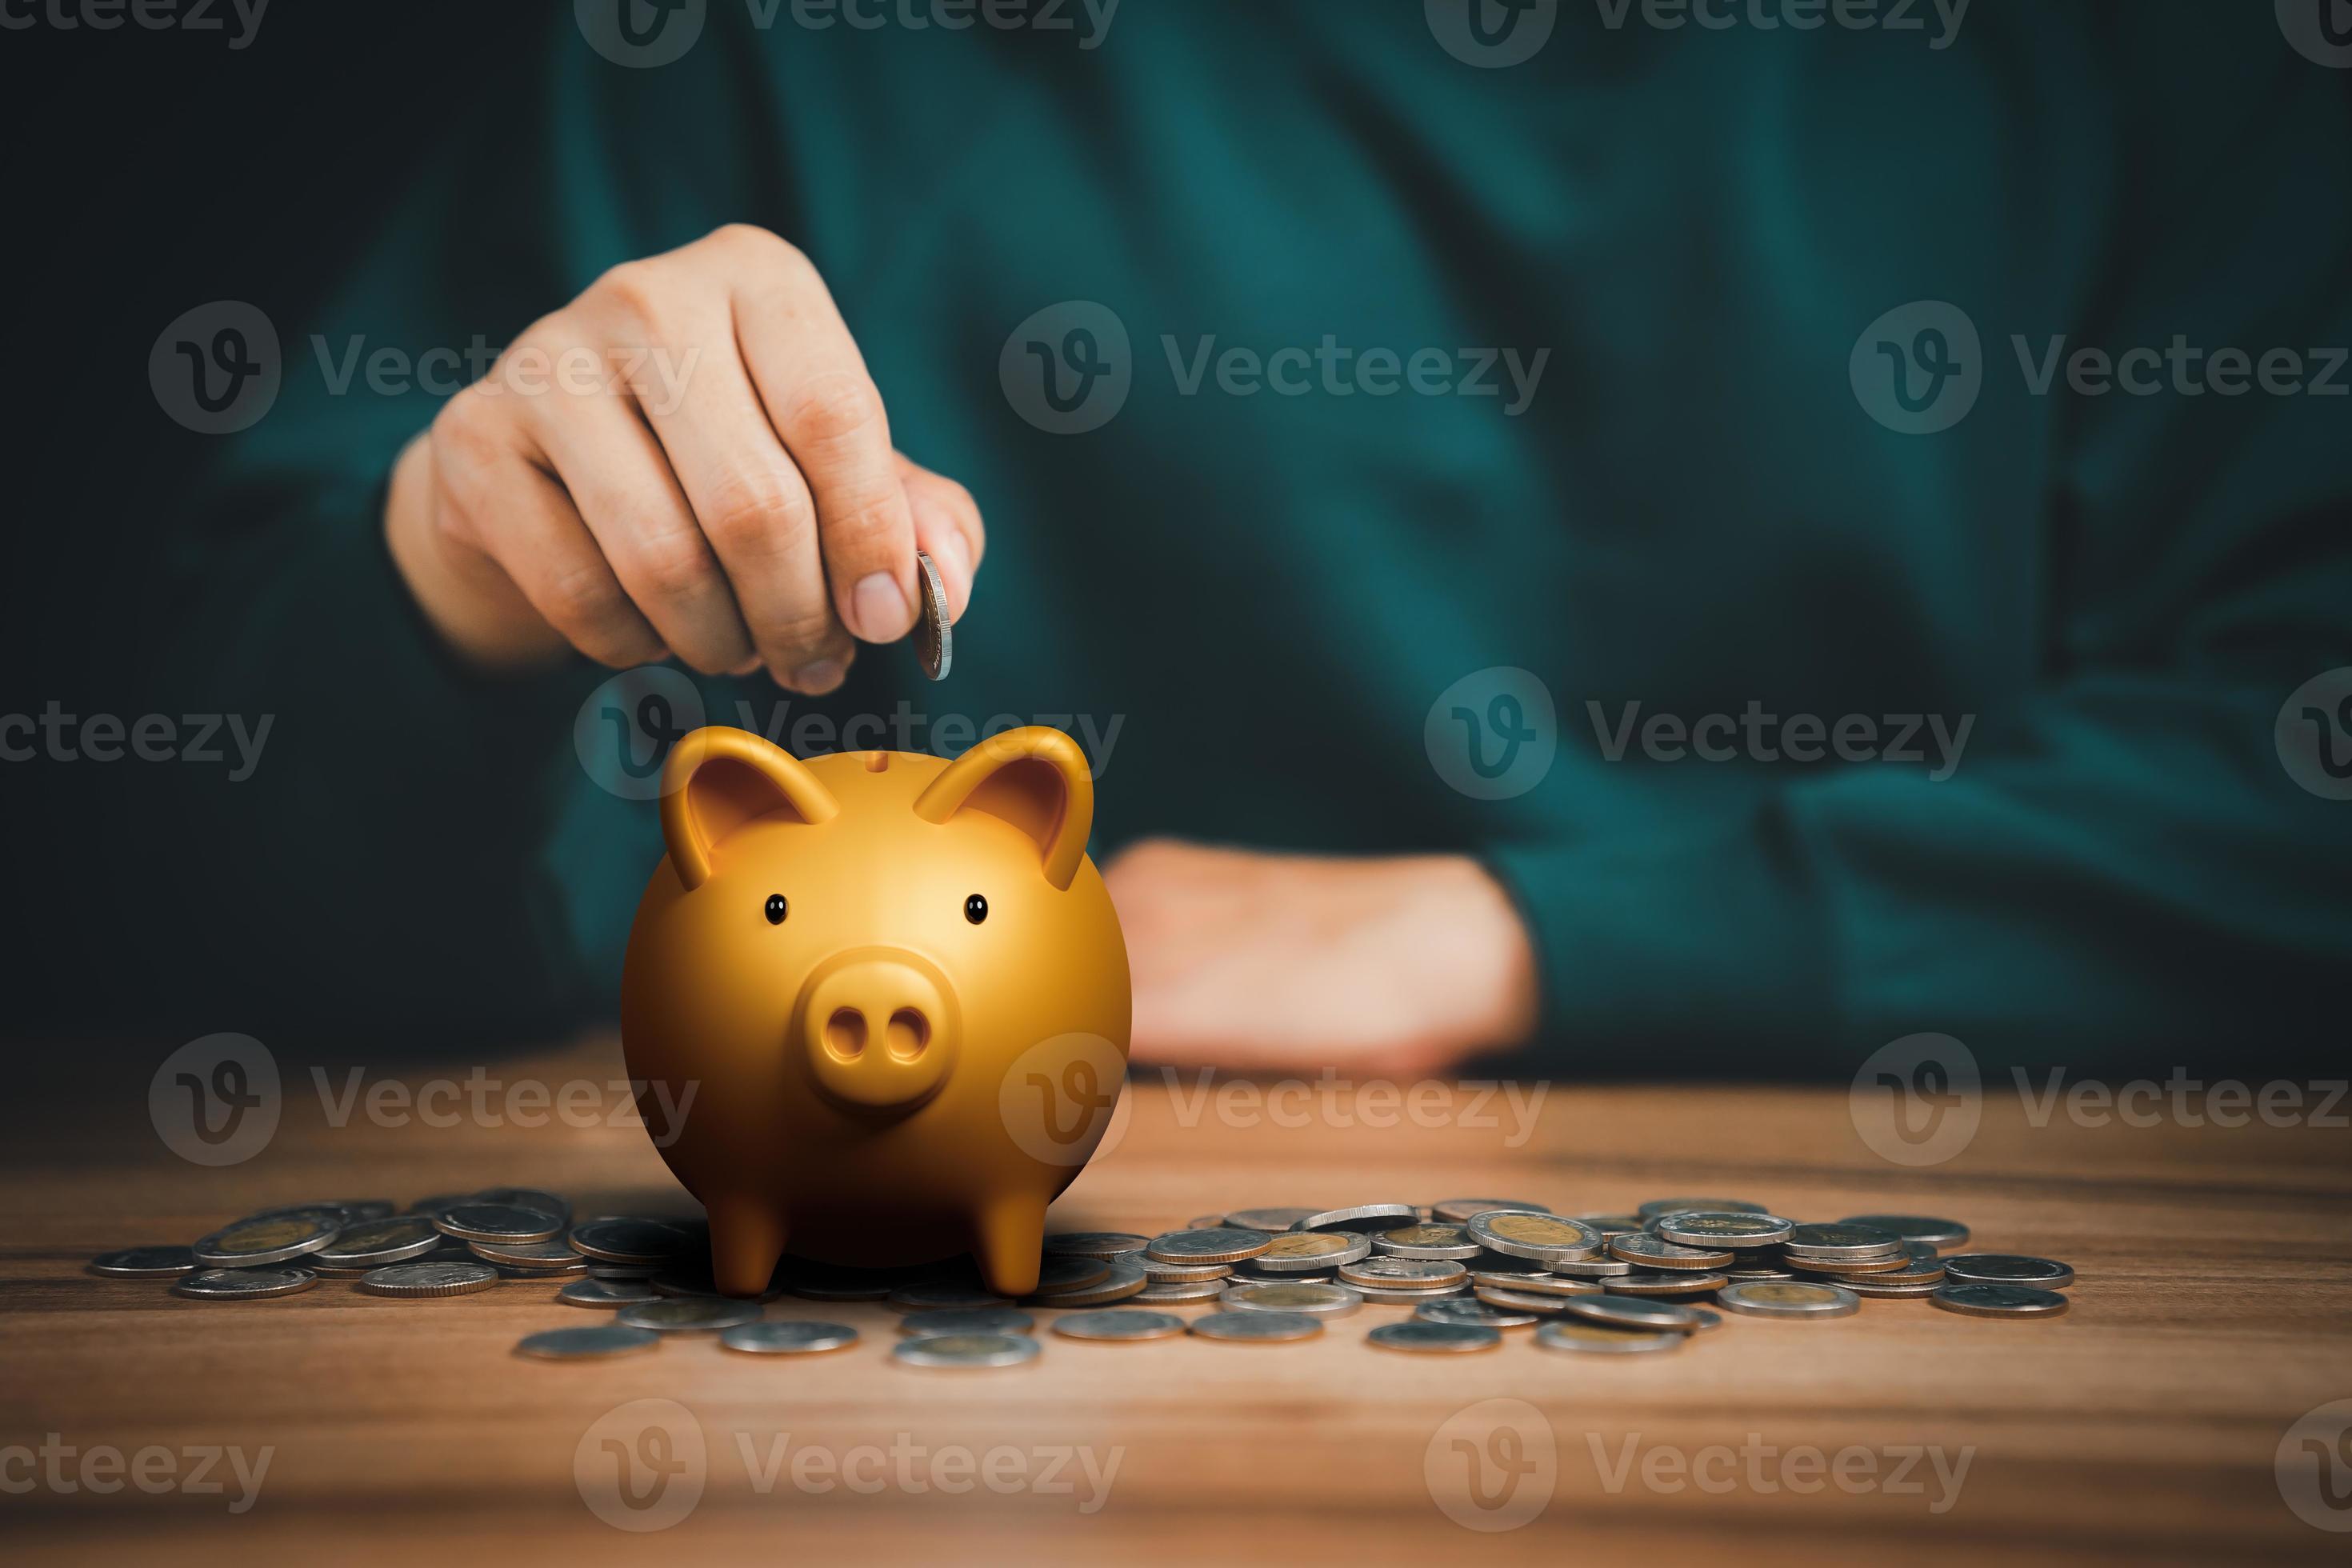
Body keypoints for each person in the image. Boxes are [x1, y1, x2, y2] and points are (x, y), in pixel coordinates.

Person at [78, 3, 2352, 1078]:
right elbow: (221, 840)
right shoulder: (766, 67)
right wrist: (453, 590)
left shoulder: (2151, 77)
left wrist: (1532, 937)